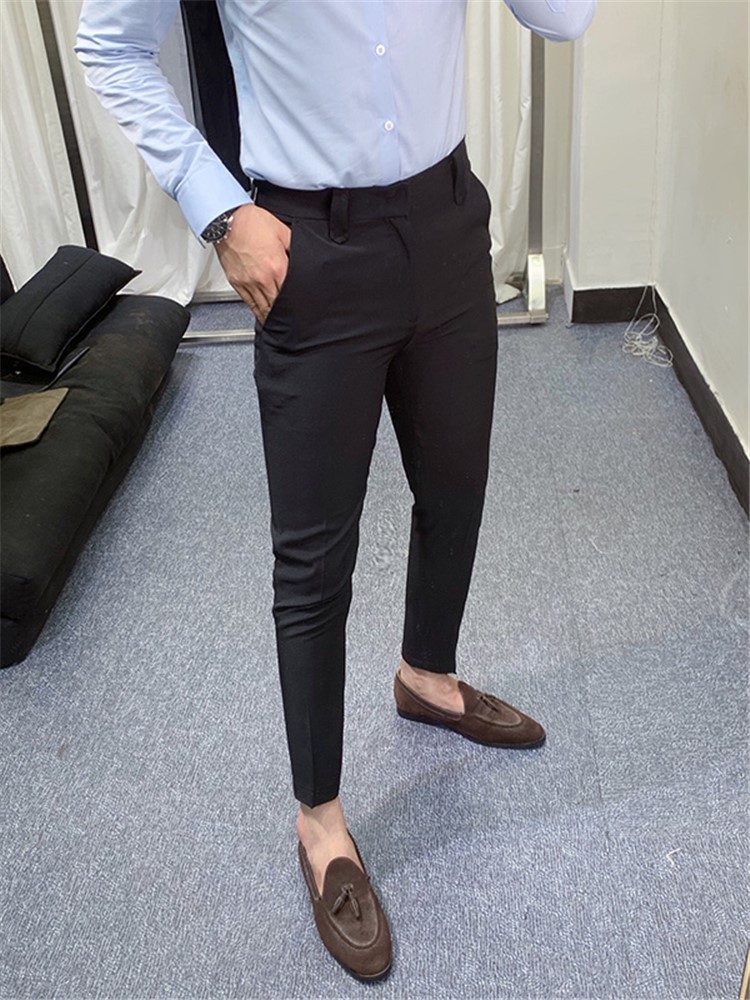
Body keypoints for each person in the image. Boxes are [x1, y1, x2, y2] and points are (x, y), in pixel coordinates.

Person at [76, 0, 596, 981]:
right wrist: (218, 208)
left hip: (447, 222)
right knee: (315, 557)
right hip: (306, 246)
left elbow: (565, 20)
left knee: (457, 482)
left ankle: (426, 677)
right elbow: (110, 45)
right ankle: (319, 819)